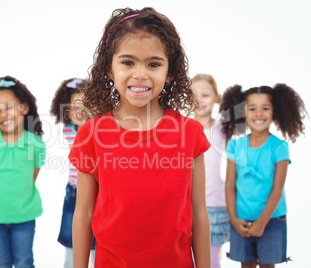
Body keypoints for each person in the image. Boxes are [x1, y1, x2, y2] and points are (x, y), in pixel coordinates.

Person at [69, 7, 211, 268]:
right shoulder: (91, 134)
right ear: (109, 69)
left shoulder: (190, 134)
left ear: (170, 73)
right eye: (128, 62)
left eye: (154, 64)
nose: (140, 74)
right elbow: (83, 213)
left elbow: (199, 211)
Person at [220, 84, 306, 268]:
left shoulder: (279, 147)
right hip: (241, 220)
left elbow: (277, 189)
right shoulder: (235, 146)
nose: (259, 113)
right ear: (244, 112)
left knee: (268, 265)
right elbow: (229, 185)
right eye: (253, 108)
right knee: (247, 264)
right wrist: (234, 219)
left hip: (272, 220)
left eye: (265, 108)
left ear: (275, 111)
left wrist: (261, 223)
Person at [0, 76, 46, 268]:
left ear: (25, 108)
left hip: (24, 216)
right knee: (1, 262)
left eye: (9, 107)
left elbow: (32, 177)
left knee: (24, 261)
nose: (3, 114)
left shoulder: (36, 143)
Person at [50, 78, 95, 268]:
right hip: (74, 193)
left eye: (87, 105)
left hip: (98, 194)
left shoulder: (100, 130)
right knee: (72, 246)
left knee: (97, 249)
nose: (81, 111)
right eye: (75, 106)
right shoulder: (68, 130)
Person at [191, 73, 229, 268]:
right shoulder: (183, 128)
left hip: (215, 206)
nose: (199, 100)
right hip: (186, 207)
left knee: (212, 262)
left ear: (217, 98)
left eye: (205, 95)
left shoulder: (223, 128)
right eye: (194, 95)